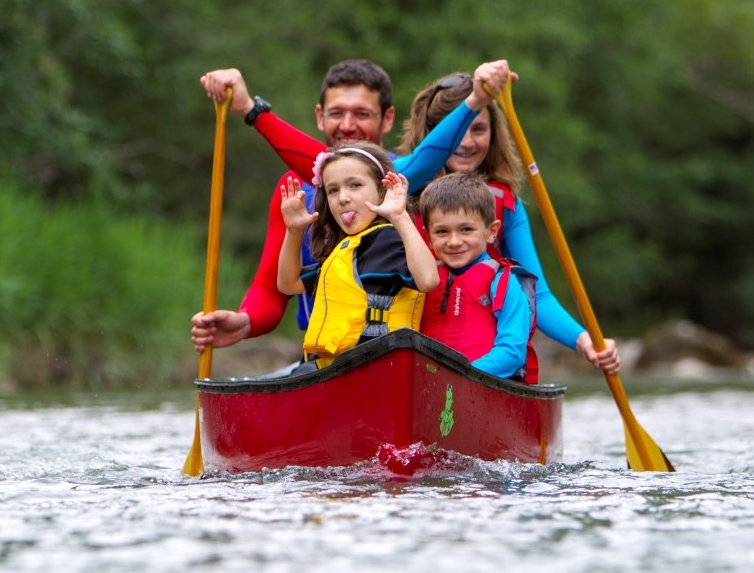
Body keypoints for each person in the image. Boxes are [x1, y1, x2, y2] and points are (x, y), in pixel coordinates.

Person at [190, 59, 513, 358]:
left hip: (400, 359)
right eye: (336, 113)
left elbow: (425, 156)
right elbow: (272, 288)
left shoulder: (400, 183)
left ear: (387, 119)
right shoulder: (293, 194)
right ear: (319, 116)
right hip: (328, 361)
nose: (347, 125)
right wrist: (245, 321)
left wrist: (252, 110)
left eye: (361, 114)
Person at [397, 71, 622, 375]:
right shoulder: (398, 188)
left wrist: (584, 341)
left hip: (484, 368)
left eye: (478, 129)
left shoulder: (504, 204)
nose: (465, 142)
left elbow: (538, 295)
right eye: (458, 128)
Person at [278, 143, 438, 371]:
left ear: (382, 190)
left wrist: (399, 216)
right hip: (337, 371)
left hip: (377, 368)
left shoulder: (387, 239)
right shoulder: (345, 251)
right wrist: (293, 231)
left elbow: (428, 280)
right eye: (333, 190)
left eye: (355, 185)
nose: (343, 198)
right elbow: (288, 284)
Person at [417, 174, 536, 381]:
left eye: (466, 230)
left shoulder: (503, 283)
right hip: (429, 388)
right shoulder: (423, 279)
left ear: (491, 231)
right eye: (442, 232)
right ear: (427, 236)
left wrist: (459, 377)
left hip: (480, 388)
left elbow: (512, 352)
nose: (454, 241)